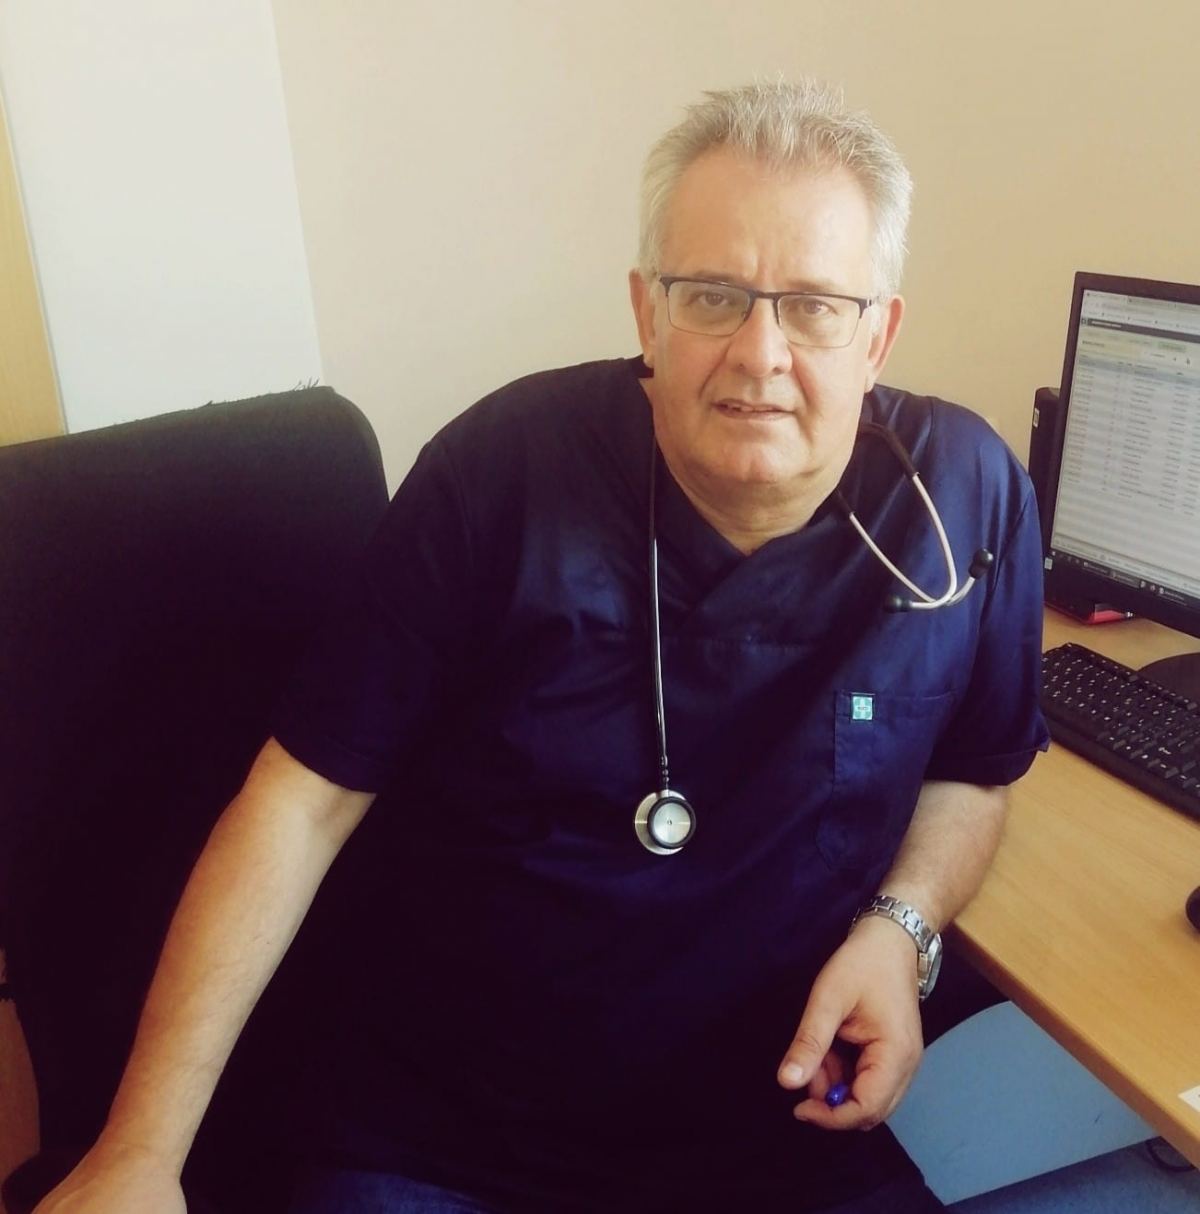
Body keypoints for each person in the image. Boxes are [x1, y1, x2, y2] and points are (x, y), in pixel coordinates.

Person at [35, 79, 1048, 1214]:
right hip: (448, 1135)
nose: (760, 352)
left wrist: (902, 928)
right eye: (713, 296)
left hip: (772, 1123)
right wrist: (138, 1151)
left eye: (814, 305)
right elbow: (299, 801)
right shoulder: (499, 476)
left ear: (879, 334)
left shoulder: (967, 499)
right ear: (647, 314)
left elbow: (975, 768)